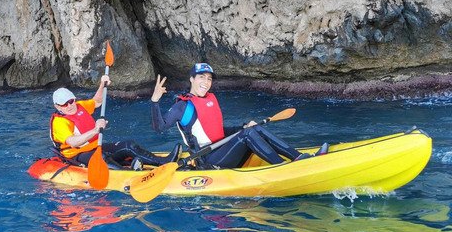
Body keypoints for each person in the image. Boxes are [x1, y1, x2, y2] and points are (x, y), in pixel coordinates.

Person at [150, 63, 328, 168]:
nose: (206, 82)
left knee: (252, 128)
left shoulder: (210, 99)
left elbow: (217, 131)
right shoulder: (182, 106)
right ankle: (282, 167)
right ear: (192, 79)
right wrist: (155, 101)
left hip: (223, 149)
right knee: (248, 134)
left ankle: (298, 157)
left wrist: (241, 128)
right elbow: (159, 127)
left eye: (209, 79)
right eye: (201, 77)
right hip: (207, 159)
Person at [49, 75, 182, 169]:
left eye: (71, 101)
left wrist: (102, 86)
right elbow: (73, 142)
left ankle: (164, 162)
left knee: (128, 145)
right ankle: (130, 173)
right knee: (101, 158)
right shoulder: (60, 122)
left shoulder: (80, 106)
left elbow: (97, 101)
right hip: (77, 155)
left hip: (95, 147)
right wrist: (95, 130)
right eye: (65, 104)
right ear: (58, 106)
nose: (70, 105)